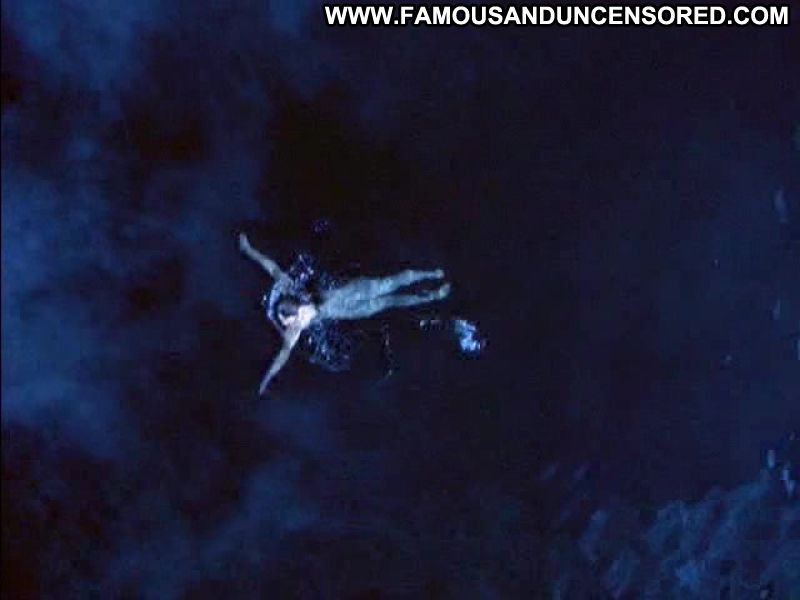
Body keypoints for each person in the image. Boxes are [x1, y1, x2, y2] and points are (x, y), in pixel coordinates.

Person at [239, 233, 451, 393]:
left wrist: (249, 250)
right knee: (390, 302)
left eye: (287, 319)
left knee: (389, 283)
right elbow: (282, 356)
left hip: (350, 291)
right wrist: (266, 380)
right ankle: (432, 296)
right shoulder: (296, 328)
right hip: (350, 311)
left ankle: (430, 274)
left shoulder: (295, 290)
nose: (286, 325)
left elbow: (272, 268)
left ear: (296, 310)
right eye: (285, 322)